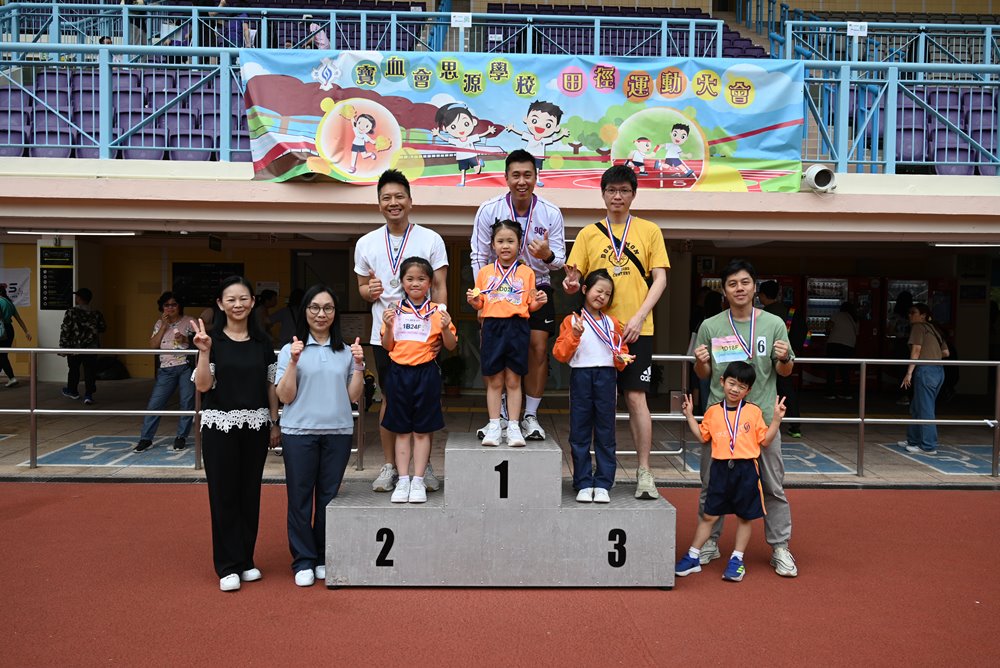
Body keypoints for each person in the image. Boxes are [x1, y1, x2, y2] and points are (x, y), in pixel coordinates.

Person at [563, 165, 669, 500]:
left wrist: (639, 317)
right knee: (592, 408)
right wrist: (570, 284)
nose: (617, 196)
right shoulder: (588, 234)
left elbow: (660, 279)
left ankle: (644, 472)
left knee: (636, 398)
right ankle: (587, 477)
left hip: (637, 330)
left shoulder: (649, 230)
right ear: (603, 194)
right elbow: (574, 282)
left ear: (633, 194)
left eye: (624, 190)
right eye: (611, 190)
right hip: (597, 332)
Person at [692, 259, 798, 577]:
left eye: (745, 282)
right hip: (720, 421)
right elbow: (704, 374)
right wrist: (700, 362)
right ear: (724, 290)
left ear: (754, 287)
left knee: (772, 486)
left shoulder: (774, 324)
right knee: (711, 485)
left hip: (761, 419)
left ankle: (780, 547)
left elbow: (784, 370)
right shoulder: (710, 326)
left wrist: (784, 358)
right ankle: (710, 542)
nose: (739, 288)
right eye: (732, 284)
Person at [355, 169, 448, 493]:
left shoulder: (431, 239)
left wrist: (441, 329)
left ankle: (424, 466)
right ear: (379, 203)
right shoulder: (366, 243)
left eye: (399, 196)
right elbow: (362, 289)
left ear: (410, 201)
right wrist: (369, 291)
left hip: (424, 338)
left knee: (425, 402)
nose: (393, 202)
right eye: (386, 198)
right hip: (387, 338)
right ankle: (390, 466)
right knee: (389, 400)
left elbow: (440, 286)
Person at [192, 276, 281, 592]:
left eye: (243, 298)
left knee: (249, 493)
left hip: (255, 426)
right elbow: (203, 386)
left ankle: (245, 559)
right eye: (231, 299)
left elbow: (270, 386)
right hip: (219, 427)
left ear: (253, 302)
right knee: (223, 494)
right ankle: (227, 565)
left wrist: (274, 422)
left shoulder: (262, 343)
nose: (238, 304)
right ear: (220, 304)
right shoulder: (212, 341)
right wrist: (204, 352)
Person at [471, 149, 566, 441]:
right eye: (516, 175)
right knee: (496, 352)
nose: (521, 181)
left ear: (536, 177)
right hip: (496, 291)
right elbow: (479, 255)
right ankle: (500, 415)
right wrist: (481, 298)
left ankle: (530, 416)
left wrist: (547, 255)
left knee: (537, 348)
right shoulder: (489, 209)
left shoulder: (550, 212)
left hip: (537, 286)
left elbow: (560, 260)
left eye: (527, 175)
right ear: (506, 177)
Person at [275, 284, 365, 587]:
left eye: (327, 308)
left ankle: (324, 555)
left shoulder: (345, 351)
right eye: (314, 307)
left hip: (338, 432)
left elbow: (353, 396)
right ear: (305, 311)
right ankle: (303, 559)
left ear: (335, 313)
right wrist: (293, 362)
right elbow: (285, 396)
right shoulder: (291, 349)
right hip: (299, 433)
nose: (321, 314)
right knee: (300, 498)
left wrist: (359, 366)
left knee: (328, 497)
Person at [675, 362, 786, 582]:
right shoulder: (713, 411)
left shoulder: (753, 411)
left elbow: (765, 440)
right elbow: (702, 436)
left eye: (741, 386)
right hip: (719, 469)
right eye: (732, 383)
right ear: (722, 382)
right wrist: (689, 416)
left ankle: (737, 559)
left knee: (745, 517)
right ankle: (693, 556)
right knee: (709, 515)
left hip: (746, 470)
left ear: (748, 390)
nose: (735, 389)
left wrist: (776, 419)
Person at [381, 257, 458, 502]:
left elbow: (451, 346)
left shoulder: (438, 311)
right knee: (402, 431)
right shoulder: (394, 310)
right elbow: (387, 345)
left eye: (421, 279)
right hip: (398, 373)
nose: (415, 283)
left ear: (430, 282)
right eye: (410, 278)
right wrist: (388, 326)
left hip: (426, 374)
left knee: (422, 431)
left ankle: (418, 480)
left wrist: (445, 328)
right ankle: (403, 480)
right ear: (402, 282)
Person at [552, 269, 631, 503]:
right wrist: (575, 335)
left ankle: (604, 483)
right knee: (580, 431)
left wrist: (622, 359)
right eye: (599, 290)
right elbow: (560, 354)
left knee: (606, 431)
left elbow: (621, 354)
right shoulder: (571, 320)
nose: (602, 296)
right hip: (581, 376)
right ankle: (583, 482)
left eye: (607, 294)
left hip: (606, 377)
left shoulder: (612, 322)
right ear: (585, 289)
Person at [468, 221, 546, 447]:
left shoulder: (526, 272)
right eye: (500, 241)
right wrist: (473, 302)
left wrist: (539, 303)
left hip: (517, 327)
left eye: (510, 241)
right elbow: (480, 303)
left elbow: (530, 305)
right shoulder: (484, 272)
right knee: (494, 380)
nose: (505, 246)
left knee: (514, 379)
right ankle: (494, 425)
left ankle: (513, 426)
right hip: (492, 327)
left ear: (519, 245)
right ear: (492, 245)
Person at [134, 292, 197, 452]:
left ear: (179, 306)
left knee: (187, 402)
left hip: (186, 366)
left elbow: (199, 343)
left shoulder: (190, 321)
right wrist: (163, 326)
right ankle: (146, 439)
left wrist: (185, 339)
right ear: (162, 307)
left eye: (174, 304)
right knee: (155, 404)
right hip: (166, 368)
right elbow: (153, 345)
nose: (170, 308)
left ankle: (181, 437)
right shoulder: (159, 323)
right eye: (166, 305)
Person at [899, 302, 949, 455]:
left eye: (913, 312)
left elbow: (916, 350)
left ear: (923, 315)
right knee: (917, 407)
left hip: (925, 370)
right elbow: (946, 353)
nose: (910, 315)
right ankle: (913, 439)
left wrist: (909, 373)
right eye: (909, 312)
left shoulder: (918, 327)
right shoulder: (935, 329)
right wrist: (932, 354)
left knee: (926, 409)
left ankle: (928, 446)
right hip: (938, 371)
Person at [758, 280, 805, 439]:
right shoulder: (790, 311)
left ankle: (763, 422)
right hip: (786, 357)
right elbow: (805, 334)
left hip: (766, 359)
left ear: (762, 295)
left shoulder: (763, 314)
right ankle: (795, 426)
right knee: (787, 390)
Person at [58, 288, 107, 405]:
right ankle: (88, 395)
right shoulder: (96, 313)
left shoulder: (71, 312)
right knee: (90, 370)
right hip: (91, 347)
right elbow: (103, 328)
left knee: (74, 369)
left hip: (75, 347)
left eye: (77, 296)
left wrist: (63, 347)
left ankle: (72, 391)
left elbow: (65, 330)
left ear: (79, 298)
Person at [431, 103, 497, 187]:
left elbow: (480, 135)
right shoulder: (456, 141)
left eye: (466, 124)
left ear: (473, 122)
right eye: (453, 127)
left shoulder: (470, 138)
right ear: (445, 128)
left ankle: (479, 163)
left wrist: (488, 131)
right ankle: (462, 182)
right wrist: (438, 134)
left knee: (477, 170)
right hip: (461, 158)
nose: (460, 129)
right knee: (463, 170)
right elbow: (446, 139)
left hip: (472, 156)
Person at [0, 283, 32, 387]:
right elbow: (19, 319)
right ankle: (11, 378)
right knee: (3, 355)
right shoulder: (9, 303)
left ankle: (12, 378)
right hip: (9, 330)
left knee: (2, 356)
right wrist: (26, 331)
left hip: (1, 330)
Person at [825, 301, 858, 399]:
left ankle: (830, 393)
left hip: (834, 344)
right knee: (845, 371)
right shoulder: (855, 319)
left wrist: (827, 332)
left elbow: (828, 327)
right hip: (849, 346)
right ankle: (846, 393)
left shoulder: (837, 315)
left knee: (831, 370)